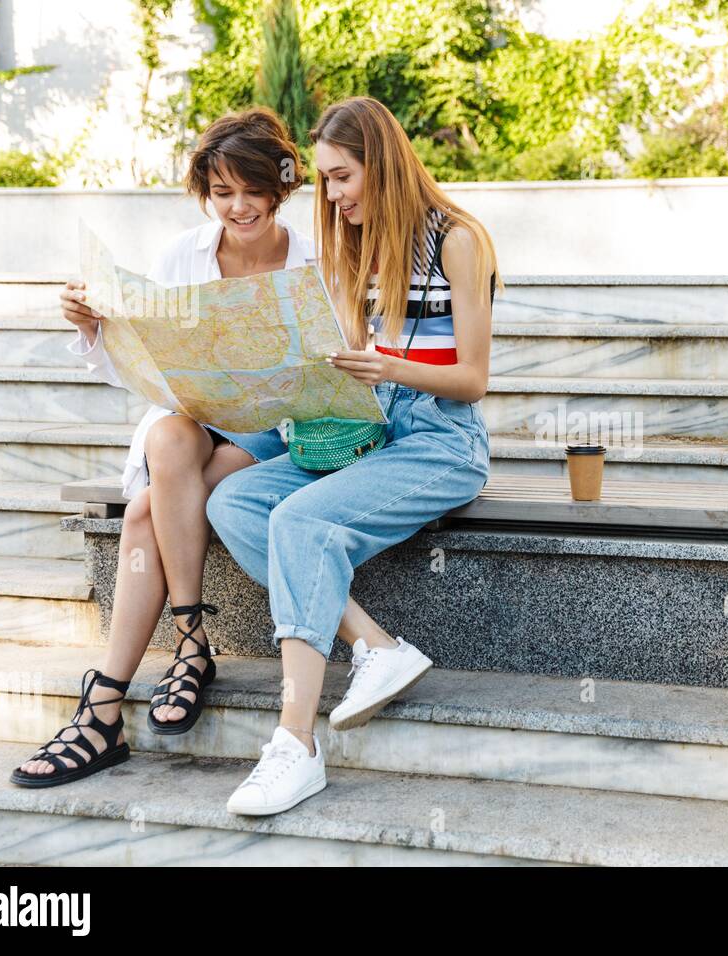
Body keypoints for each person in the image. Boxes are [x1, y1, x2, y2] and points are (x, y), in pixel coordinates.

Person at [205, 96, 499, 815]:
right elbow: (344, 360)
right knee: (234, 502)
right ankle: (373, 644)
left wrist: (388, 368)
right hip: (368, 427)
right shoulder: (356, 243)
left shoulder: (459, 239)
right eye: (329, 181)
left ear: (382, 164)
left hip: (440, 437)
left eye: (341, 177)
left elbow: (474, 379)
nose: (331, 195)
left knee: (300, 524)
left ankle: (295, 742)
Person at [11, 107, 314, 787]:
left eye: (252, 190)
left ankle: (110, 702)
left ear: (281, 185)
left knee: (149, 510)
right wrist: (97, 330)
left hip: (275, 432)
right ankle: (187, 640)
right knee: (168, 432)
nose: (238, 207)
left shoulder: (312, 256)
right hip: (192, 422)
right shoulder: (183, 254)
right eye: (222, 191)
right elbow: (144, 368)